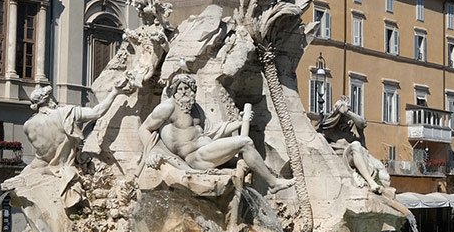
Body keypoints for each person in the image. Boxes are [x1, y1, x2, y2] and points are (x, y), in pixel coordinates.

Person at [139, 74, 293, 191]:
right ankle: (273, 183)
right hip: (195, 158)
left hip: (207, 150)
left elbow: (212, 131)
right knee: (245, 143)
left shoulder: (195, 108)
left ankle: (269, 179)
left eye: (187, 88)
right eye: (180, 88)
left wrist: (239, 122)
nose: (184, 92)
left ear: (193, 90)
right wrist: (152, 152)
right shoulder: (168, 108)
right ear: (174, 91)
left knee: (247, 159)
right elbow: (144, 128)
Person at [317, 96, 391, 194]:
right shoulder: (330, 129)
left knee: (385, 176)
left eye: (347, 116)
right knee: (355, 145)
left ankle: (373, 181)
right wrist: (339, 110)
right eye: (343, 116)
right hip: (344, 159)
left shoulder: (354, 125)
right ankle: (371, 182)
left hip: (363, 156)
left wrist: (347, 112)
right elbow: (321, 129)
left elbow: (363, 123)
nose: (345, 120)